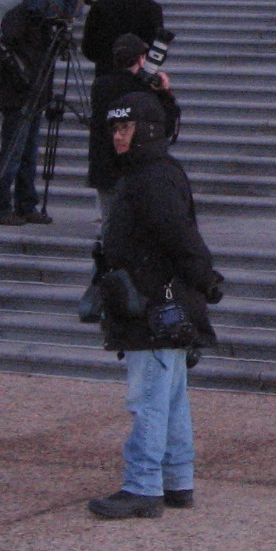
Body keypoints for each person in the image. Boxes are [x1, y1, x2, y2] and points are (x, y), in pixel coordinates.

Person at [89, 90, 224, 520]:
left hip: (154, 304)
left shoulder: (150, 177)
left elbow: (178, 235)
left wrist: (205, 278)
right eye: (115, 128)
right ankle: (176, 481)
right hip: (163, 301)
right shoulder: (155, 172)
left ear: (146, 129)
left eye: (125, 127)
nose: (118, 136)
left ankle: (143, 485)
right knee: (171, 397)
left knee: (149, 397)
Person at [0, 0, 59, 226]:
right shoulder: (17, 17)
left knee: (29, 154)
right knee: (13, 153)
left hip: (36, 97)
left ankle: (26, 204)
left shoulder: (46, 21)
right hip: (17, 96)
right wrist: (23, 78)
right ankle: (1, 207)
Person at [88, 32, 180, 219]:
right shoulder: (145, 89)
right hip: (136, 168)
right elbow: (168, 126)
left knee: (109, 223)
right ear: (141, 59)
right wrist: (165, 93)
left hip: (104, 167)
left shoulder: (100, 85)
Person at [82, 0, 165, 77]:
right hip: (137, 75)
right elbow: (157, 48)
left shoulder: (101, 5)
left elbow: (88, 46)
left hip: (105, 73)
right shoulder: (152, 9)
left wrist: (105, 59)